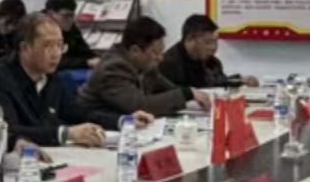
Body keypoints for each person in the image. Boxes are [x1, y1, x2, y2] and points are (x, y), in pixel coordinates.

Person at [0, 14, 145, 149]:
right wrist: (66, 133)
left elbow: (79, 113)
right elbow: (6, 130)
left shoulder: (53, 78)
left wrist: (123, 120)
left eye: (60, 45)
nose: (56, 53)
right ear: (25, 48)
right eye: (48, 46)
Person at [80, 16, 213, 120]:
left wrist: (191, 94)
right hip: (97, 127)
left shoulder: (144, 64)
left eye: (161, 51)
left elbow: (171, 89)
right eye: (155, 52)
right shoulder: (112, 68)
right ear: (135, 50)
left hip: (129, 124)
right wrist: (186, 93)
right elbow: (140, 106)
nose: (160, 58)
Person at [157, 14, 257, 90]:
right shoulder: (169, 63)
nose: (214, 47)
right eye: (207, 42)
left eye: (216, 41)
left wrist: (241, 81)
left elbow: (217, 84)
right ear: (190, 39)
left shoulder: (212, 62)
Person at [43, 0, 96, 70]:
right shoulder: (39, 29)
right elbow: (49, 60)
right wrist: (86, 62)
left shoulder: (71, 27)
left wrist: (96, 60)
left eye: (72, 15)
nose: (71, 20)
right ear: (51, 14)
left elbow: (83, 49)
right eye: (66, 15)